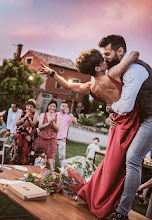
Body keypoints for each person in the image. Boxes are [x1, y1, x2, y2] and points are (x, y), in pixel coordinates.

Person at [38, 48, 141, 218]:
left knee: (112, 163)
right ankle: (107, 202)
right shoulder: (113, 74)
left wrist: (52, 73)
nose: (106, 61)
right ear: (97, 68)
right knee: (122, 165)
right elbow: (135, 54)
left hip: (116, 125)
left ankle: (100, 196)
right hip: (129, 122)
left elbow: (69, 85)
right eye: (103, 59)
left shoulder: (90, 87)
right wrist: (118, 53)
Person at [99, 35, 152, 219]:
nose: (104, 57)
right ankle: (112, 199)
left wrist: (112, 108)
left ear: (120, 51)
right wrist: (111, 114)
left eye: (107, 53)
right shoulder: (122, 69)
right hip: (144, 117)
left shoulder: (135, 70)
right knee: (122, 155)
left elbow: (125, 106)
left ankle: (122, 213)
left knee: (132, 158)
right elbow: (117, 98)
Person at [34, 100, 61, 172]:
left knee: (50, 161)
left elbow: (57, 129)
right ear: (48, 106)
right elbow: (40, 127)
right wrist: (48, 123)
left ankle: (51, 177)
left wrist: (52, 122)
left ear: (55, 108)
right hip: (41, 139)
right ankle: (36, 174)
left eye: (54, 106)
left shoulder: (58, 117)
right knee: (40, 159)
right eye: (51, 106)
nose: (52, 108)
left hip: (51, 141)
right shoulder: (43, 115)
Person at [10, 99, 38, 165]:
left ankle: (23, 165)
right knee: (16, 152)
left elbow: (34, 124)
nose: (29, 108)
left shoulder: (34, 114)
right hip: (19, 135)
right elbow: (17, 123)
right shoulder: (21, 113)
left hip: (28, 137)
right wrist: (24, 118)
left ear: (33, 108)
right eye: (28, 106)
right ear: (26, 106)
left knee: (25, 153)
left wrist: (29, 118)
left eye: (31, 107)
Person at [57, 102, 77, 168]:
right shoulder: (56, 114)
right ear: (60, 107)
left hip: (62, 139)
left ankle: (62, 171)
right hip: (53, 137)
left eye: (66, 106)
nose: (64, 107)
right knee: (51, 156)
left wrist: (69, 113)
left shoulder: (68, 116)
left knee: (62, 156)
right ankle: (51, 169)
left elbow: (75, 121)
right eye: (63, 106)